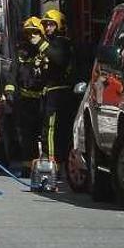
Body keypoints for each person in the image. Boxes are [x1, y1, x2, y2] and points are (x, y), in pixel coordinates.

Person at [3, 17, 49, 170]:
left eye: (35, 33)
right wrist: (10, 91)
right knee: (27, 136)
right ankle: (29, 167)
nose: (32, 37)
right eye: (29, 34)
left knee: (45, 134)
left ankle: (49, 166)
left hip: (44, 101)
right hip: (25, 102)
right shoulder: (21, 53)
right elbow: (13, 74)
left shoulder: (46, 50)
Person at [40, 9, 74, 167]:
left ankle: (51, 159)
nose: (47, 28)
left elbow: (58, 59)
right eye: (46, 25)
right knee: (51, 127)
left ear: (59, 26)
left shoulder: (62, 43)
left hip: (59, 92)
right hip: (52, 91)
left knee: (52, 127)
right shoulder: (52, 43)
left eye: (51, 25)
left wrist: (40, 44)